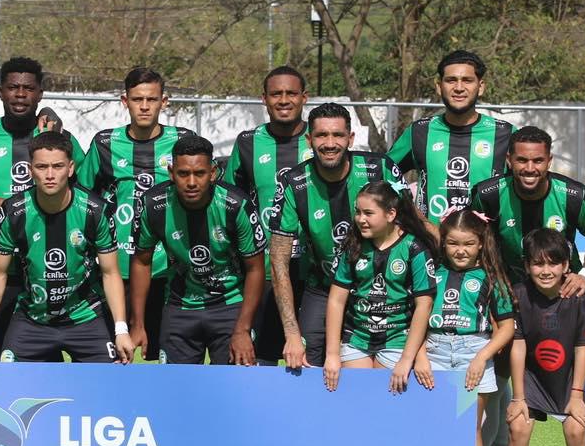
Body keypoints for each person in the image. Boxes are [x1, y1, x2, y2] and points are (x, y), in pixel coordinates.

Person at [470, 124, 585, 446]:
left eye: (537, 160)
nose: (529, 168)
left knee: (575, 396)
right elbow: (471, 238)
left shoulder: (572, 195)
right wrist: (491, 282)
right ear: (509, 161)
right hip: (506, 302)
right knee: (500, 392)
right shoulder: (487, 193)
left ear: (548, 161)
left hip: (562, 300)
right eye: (521, 160)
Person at [0, 131, 134, 364]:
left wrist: (121, 330)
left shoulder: (96, 211)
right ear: (29, 169)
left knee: (109, 382)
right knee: (8, 380)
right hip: (32, 319)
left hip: (86, 316)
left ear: (70, 168)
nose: (49, 175)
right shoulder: (14, 212)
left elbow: (110, 272)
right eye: (41, 167)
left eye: (57, 166)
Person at [270, 102, 403, 368]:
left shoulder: (381, 169)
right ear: (309, 140)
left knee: (384, 379)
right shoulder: (293, 182)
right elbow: (278, 259)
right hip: (322, 287)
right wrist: (292, 333)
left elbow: (413, 229)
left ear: (350, 138)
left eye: (338, 135)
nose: (329, 143)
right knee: (304, 367)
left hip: (380, 290)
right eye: (321, 135)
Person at [0, 56, 85, 360]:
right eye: (13, 87)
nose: (20, 94)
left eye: (28, 88)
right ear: (0, 91)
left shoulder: (60, 139)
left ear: (40, 93)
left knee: (48, 357)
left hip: (52, 267)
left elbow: (85, 192)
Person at [76, 66, 195, 360]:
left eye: (152, 99)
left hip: (167, 271)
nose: (144, 106)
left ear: (164, 102)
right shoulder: (105, 143)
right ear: (124, 100)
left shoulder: (182, 141)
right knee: (113, 359)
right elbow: (81, 198)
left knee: (164, 361)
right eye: (137, 99)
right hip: (116, 269)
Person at [130, 134, 266, 364]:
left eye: (199, 173)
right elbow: (142, 262)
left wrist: (242, 330)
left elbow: (255, 269)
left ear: (212, 173)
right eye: (183, 174)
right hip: (180, 305)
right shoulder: (152, 204)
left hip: (230, 304)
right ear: (171, 173)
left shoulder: (236, 204)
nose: (191, 182)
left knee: (232, 387)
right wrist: (138, 324)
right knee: (176, 392)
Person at [413, 209, 515, 446]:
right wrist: (420, 356)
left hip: (474, 350)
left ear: (481, 244)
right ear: (443, 243)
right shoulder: (431, 273)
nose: (461, 251)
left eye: (468, 244)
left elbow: (507, 327)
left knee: (469, 427)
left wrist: (481, 357)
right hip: (436, 348)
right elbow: (414, 318)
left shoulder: (492, 278)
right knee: (434, 424)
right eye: (454, 243)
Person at [501, 228, 585, 446]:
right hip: (531, 377)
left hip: (566, 378)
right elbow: (517, 347)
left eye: (553, 263)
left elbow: (583, 347)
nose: (545, 271)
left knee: (576, 428)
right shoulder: (518, 294)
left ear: (566, 265)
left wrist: (577, 394)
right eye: (538, 263)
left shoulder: (578, 297)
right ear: (527, 265)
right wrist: (518, 397)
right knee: (518, 426)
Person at [223, 66, 313, 365]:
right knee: (259, 360)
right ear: (264, 99)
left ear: (304, 98)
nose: (284, 100)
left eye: (291, 93)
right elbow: (228, 201)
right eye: (276, 93)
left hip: (313, 272)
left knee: (311, 360)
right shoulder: (248, 142)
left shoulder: (320, 141)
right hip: (263, 273)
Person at [323, 181, 437, 393]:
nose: (361, 219)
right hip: (356, 339)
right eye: (357, 212)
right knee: (359, 403)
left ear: (391, 214)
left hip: (397, 340)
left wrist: (407, 358)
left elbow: (424, 306)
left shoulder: (414, 248)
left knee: (386, 405)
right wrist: (332, 354)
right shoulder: (352, 246)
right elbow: (336, 301)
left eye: (368, 213)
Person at [387, 50, 513, 224]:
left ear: (481, 86)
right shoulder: (419, 132)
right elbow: (384, 174)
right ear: (439, 86)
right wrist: (409, 213)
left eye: (467, 80)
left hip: (486, 246)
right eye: (451, 80)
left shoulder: (504, 133)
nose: (459, 88)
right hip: (430, 244)